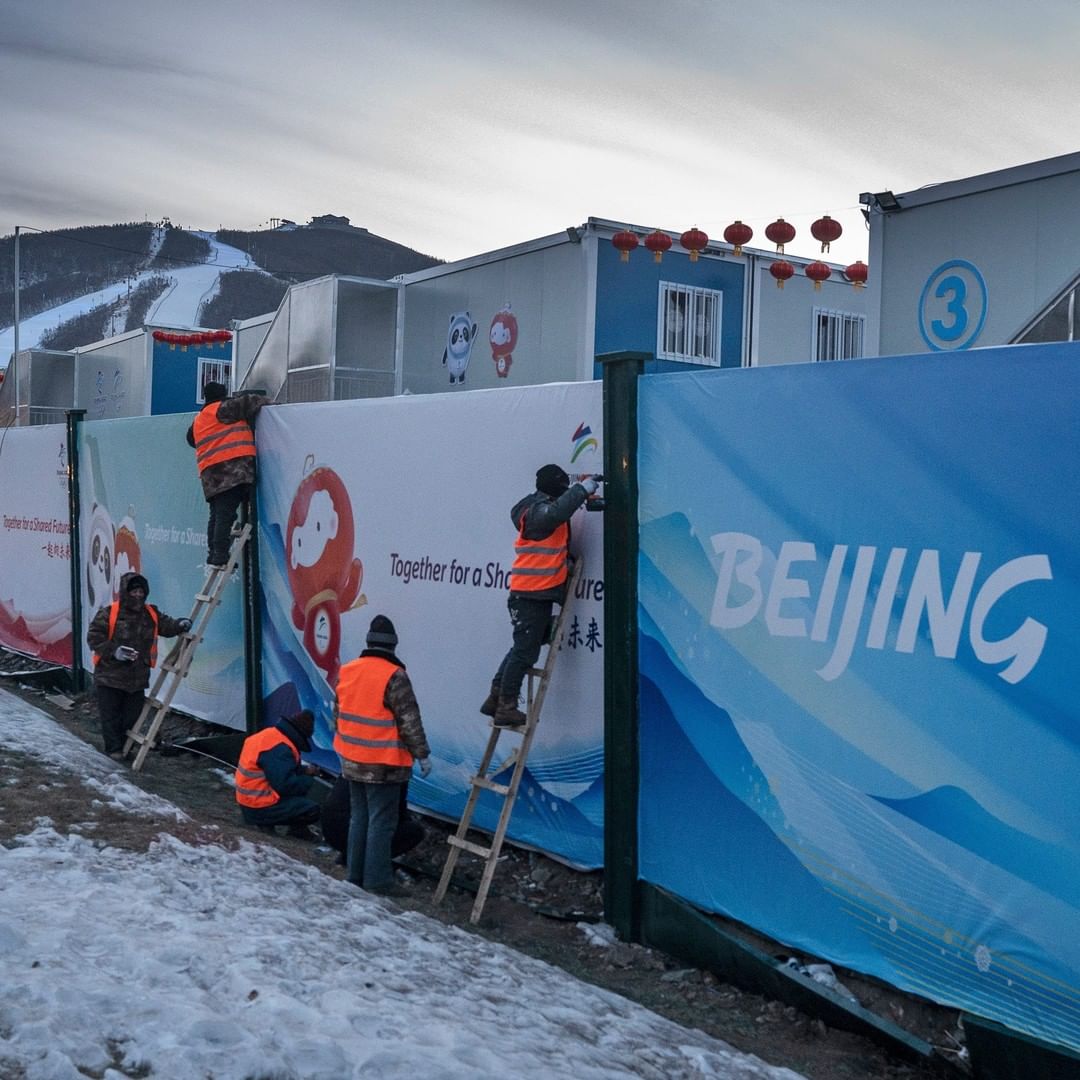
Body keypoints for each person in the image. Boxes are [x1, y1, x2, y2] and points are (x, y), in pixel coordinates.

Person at [481, 464, 598, 728]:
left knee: (523, 647)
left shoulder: (531, 507)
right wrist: (583, 489)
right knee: (525, 652)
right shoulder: (539, 513)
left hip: (533, 592)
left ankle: (496, 696)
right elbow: (555, 513)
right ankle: (506, 706)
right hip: (532, 593)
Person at [332, 615, 431, 897]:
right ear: (393, 645)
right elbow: (409, 721)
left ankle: (355, 874)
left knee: (359, 817)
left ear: (368, 642)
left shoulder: (348, 670)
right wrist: (422, 754)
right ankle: (377, 880)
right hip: (383, 763)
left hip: (352, 759)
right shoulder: (394, 676)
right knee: (382, 821)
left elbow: (337, 713)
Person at [85, 572, 191, 760]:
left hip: (137, 678)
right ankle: (114, 750)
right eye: (134, 591)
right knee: (111, 716)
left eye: (141, 591)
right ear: (125, 592)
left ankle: (126, 748)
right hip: (109, 677)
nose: (138, 595)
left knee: (132, 717)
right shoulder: (109, 613)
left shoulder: (151, 614)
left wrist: (180, 624)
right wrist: (114, 651)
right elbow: (94, 637)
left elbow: (167, 626)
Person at [185, 382, 271, 569]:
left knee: (216, 515)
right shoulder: (223, 409)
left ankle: (214, 554)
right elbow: (251, 401)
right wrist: (272, 403)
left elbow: (191, 439)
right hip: (230, 471)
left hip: (210, 475)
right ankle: (220, 555)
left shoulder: (199, 419)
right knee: (225, 515)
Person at [234, 709, 322, 838]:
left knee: (298, 790)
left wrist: (304, 770)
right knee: (312, 810)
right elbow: (285, 785)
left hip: (249, 801)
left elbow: (276, 768)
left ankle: (276, 824)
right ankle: (273, 824)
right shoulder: (280, 749)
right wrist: (309, 780)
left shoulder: (270, 736)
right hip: (259, 806)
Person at [320, 776, 425, 867]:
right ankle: (364, 865)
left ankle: (348, 859)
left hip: (328, 827)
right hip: (350, 834)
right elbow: (399, 813)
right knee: (415, 831)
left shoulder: (356, 760)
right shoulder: (396, 773)